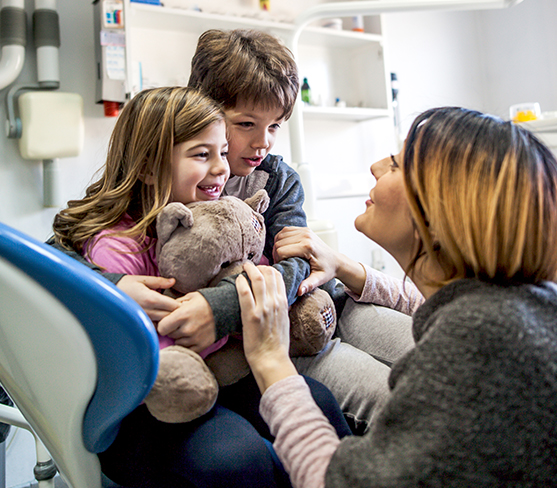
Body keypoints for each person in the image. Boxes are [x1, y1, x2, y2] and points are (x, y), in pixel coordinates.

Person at [236, 106, 557, 487]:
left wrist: (270, 359)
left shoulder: (482, 337)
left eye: (395, 164)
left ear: (442, 211)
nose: (375, 166)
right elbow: (426, 304)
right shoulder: (518, 307)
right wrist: (346, 267)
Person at [51, 86, 350, 488]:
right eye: (201, 154)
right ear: (148, 167)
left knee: (319, 402)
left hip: (222, 369)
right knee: (235, 458)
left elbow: (256, 268)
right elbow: (127, 351)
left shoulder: (213, 221)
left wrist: (228, 307)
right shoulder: (118, 245)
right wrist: (117, 287)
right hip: (149, 398)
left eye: (222, 152)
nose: (221, 168)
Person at [186, 28, 421, 433]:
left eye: (276, 125)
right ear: (202, 110)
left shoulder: (276, 179)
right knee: (397, 402)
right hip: (281, 337)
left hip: (334, 305)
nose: (264, 142)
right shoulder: (181, 176)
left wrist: (220, 305)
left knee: (440, 356)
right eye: (246, 123)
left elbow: (297, 262)